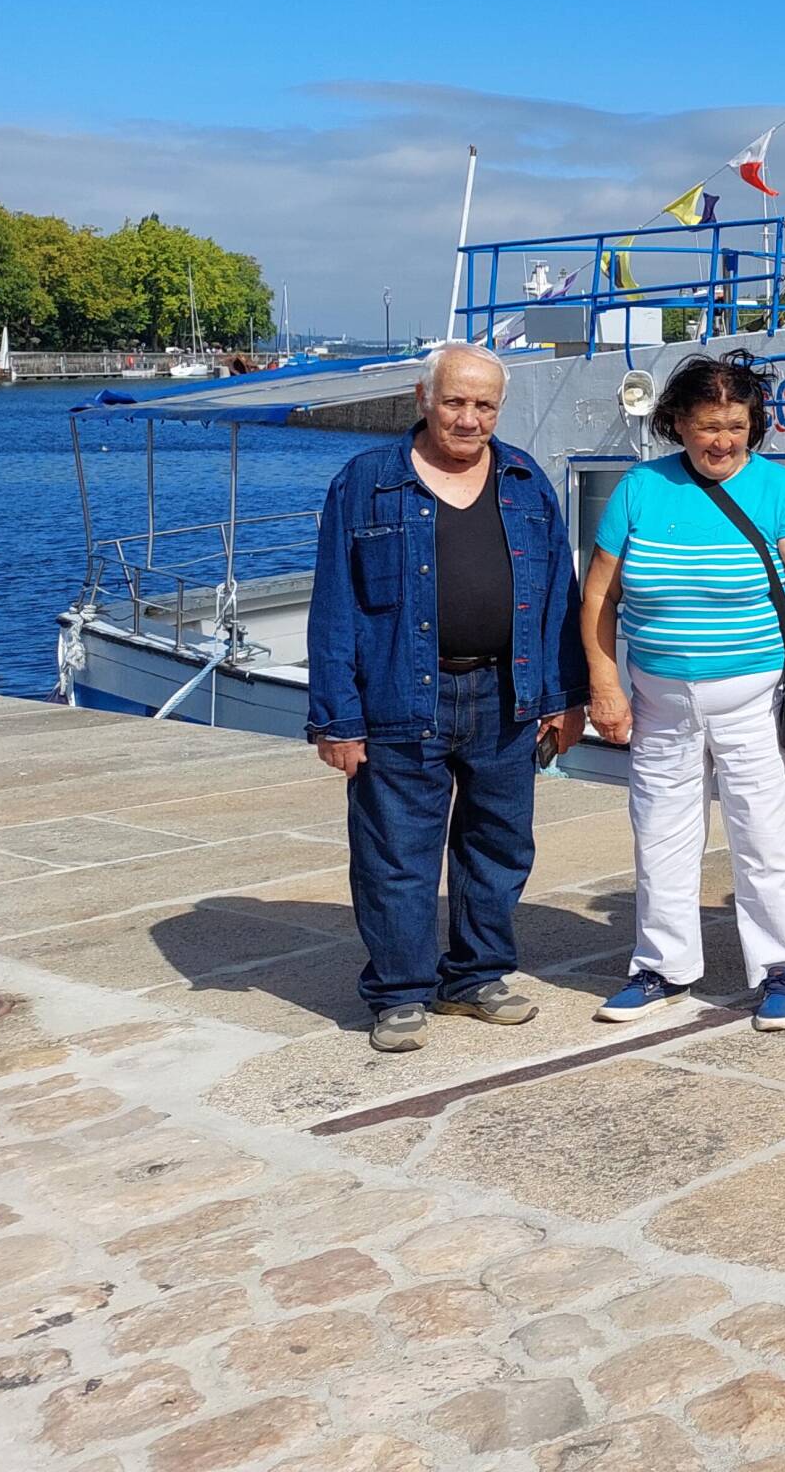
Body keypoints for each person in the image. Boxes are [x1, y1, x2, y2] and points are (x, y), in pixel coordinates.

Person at [307, 343, 587, 1053]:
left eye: (484, 405)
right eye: (455, 402)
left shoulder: (525, 480)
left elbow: (558, 594)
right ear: (423, 399)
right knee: (396, 853)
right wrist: (336, 718)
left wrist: (566, 696)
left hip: (506, 694)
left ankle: (473, 977)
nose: (469, 419)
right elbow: (334, 603)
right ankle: (399, 992)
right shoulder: (366, 482)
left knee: (498, 846)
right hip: (401, 694)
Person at [579, 352, 785, 1032]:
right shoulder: (640, 488)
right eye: (708, 425)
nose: (722, 441)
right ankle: (661, 966)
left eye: (735, 425)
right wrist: (604, 684)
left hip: (755, 698)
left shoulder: (777, 490)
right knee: (659, 835)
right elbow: (600, 596)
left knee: (766, 838)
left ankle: (781, 969)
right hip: (660, 700)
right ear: (677, 423)